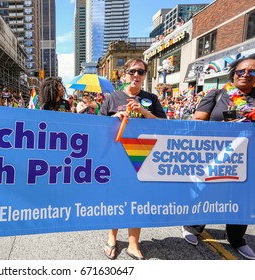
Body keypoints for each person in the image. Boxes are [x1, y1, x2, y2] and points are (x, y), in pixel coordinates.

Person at [181, 54, 255, 260]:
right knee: (207, 192)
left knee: (243, 199)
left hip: (248, 161)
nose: (246, 75)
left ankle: (237, 239)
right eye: (242, 71)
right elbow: (198, 121)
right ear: (234, 74)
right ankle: (192, 226)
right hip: (215, 156)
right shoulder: (217, 94)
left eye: (252, 72)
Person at [99, 58, 167, 260]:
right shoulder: (112, 98)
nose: (136, 75)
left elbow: (164, 124)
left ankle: (133, 243)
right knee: (115, 197)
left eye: (141, 72)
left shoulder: (151, 99)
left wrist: (145, 112)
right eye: (132, 71)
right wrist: (114, 118)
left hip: (142, 156)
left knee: (137, 199)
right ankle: (112, 238)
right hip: (116, 157)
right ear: (124, 75)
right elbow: (97, 125)